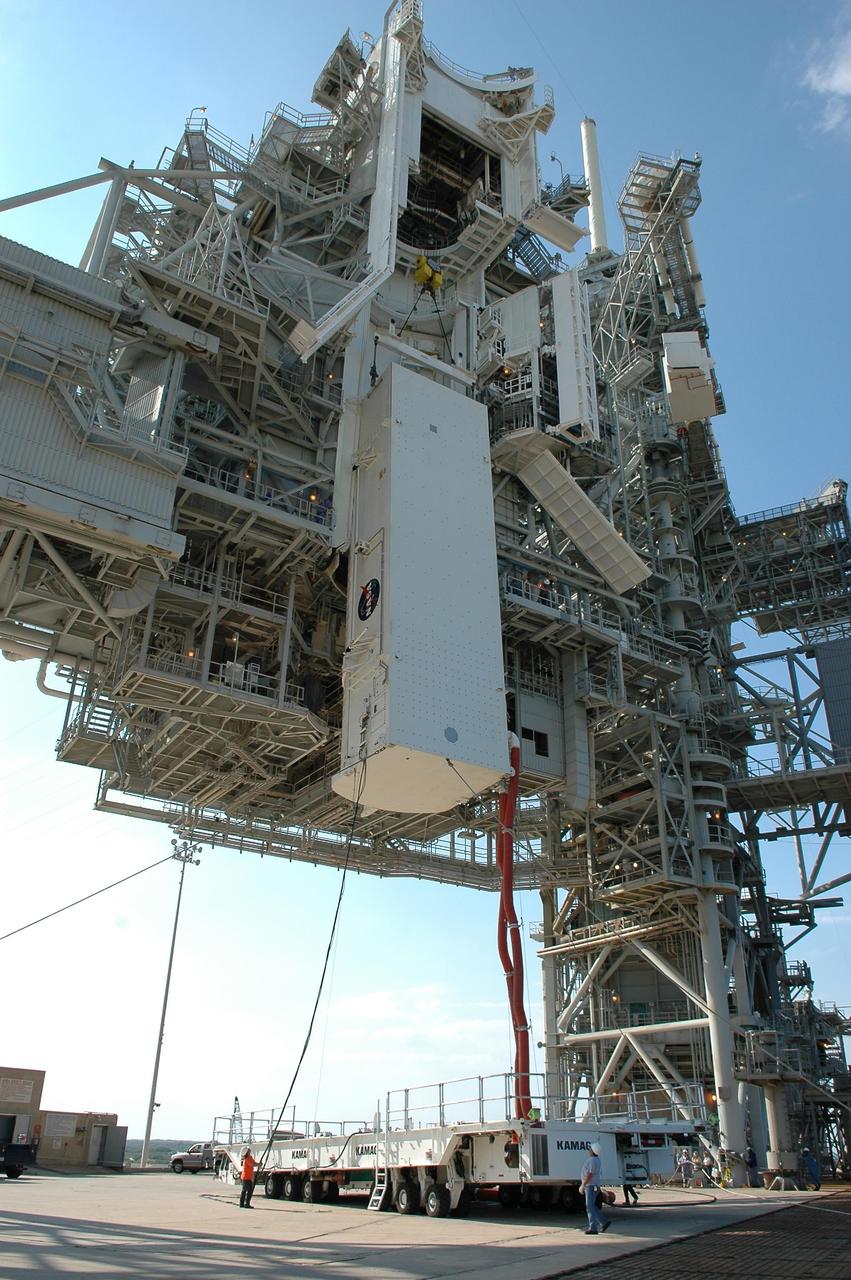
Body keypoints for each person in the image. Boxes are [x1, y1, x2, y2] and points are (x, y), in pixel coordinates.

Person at [580, 1142, 611, 1235]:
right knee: (592, 1206)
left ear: (593, 1151)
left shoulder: (592, 1160)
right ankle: (604, 1222)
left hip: (590, 1186)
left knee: (589, 1207)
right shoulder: (596, 1160)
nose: (588, 1150)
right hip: (593, 1186)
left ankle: (593, 1228)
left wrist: (583, 1185)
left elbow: (590, 1174)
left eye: (590, 1149)